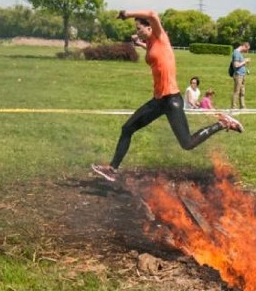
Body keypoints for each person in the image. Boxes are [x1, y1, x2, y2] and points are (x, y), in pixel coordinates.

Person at [91, 10, 243, 182]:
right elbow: (156, 53)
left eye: (139, 28)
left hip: (171, 100)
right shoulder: (151, 43)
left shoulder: (160, 36)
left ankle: (222, 124)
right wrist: (140, 43)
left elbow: (152, 14)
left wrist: (128, 14)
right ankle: (112, 169)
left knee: (187, 143)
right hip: (158, 101)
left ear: (150, 28)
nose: (137, 31)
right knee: (127, 129)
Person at [231, 42, 251, 109]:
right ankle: (233, 107)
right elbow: (236, 65)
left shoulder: (239, 54)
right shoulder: (236, 53)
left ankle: (242, 107)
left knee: (242, 92)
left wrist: (246, 69)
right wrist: (245, 61)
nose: (247, 51)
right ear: (244, 46)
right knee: (236, 91)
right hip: (238, 75)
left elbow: (241, 64)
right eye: (246, 49)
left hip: (242, 75)